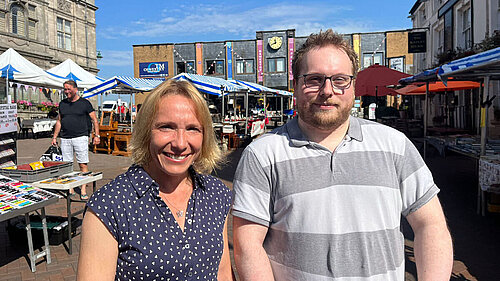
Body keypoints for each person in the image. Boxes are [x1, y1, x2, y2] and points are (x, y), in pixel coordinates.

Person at [232, 29, 453, 281]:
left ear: (353, 87)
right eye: (314, 79)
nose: (327, 90)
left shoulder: (394, 145)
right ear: (295, 86)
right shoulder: (262, 155)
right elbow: (247, 245)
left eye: (339, 80)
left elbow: (430, 225)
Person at [77, 80, 234, 280]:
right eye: (166, 127)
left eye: (193, 128)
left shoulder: (216, 194)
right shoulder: (110, 204)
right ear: (146, 131)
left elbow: (222, 271)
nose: (180, 143)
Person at [52, 80, 100, 200]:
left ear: (75, 89)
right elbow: (59, 121)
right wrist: (54, 137)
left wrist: (97, 135)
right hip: (65, 137)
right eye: (65, 89)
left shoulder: (85, 103)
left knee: (82, 163)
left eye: (69, 89)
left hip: (81, 136)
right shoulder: (62, 104)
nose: (66, 91)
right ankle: (70, 188)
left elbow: (94, 119)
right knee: (67, 165)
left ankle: (83, 189)